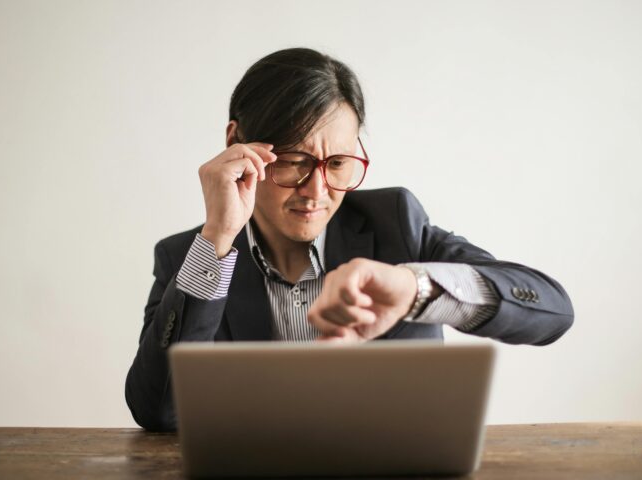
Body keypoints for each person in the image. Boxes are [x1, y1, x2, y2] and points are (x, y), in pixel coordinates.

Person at [125, 47, 574, 432]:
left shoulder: (395, 223)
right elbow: (158, 411)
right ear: (237, 145)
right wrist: (218, 240)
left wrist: (416, 291)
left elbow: (551, 310)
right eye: (294, 161)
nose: (316, 192)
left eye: (338, 163)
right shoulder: (189, 257)